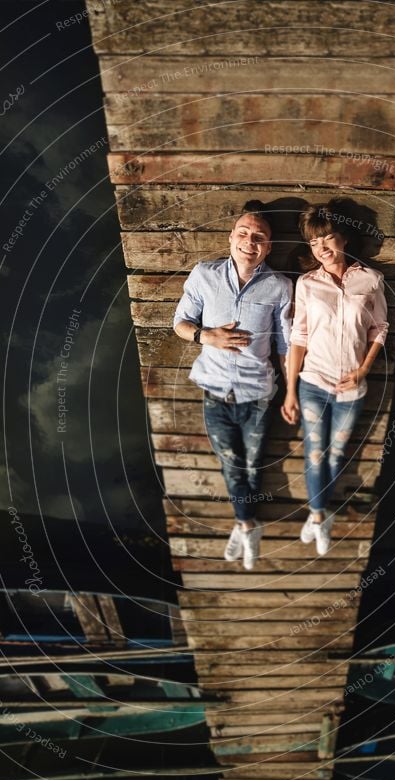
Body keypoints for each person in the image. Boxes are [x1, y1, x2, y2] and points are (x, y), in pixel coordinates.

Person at [173, 205, 292, 569]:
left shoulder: (280, 286)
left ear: (268, 247)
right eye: (242, 232)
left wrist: (291, 392)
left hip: (257, 393)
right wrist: (206, 336)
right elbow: (180, 322)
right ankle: (246, 524)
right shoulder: (204, 275)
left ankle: (245, 526)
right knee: (230, 464)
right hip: (214, 390)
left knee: (254, 466)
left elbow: (285, 345)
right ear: (230, 236)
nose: (249, 241)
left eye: (258, 237)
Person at [281, 200, 389, 555]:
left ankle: (320, 514)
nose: (322, 248)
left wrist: (363, 369)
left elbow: (379, 329)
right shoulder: (308, 284)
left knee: (336, 454)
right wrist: (290, 391)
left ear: (343, 238)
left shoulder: (371, 279)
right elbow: (298, 337)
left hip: (352, 388)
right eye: (314, 243)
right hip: (312, 382)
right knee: (314, 454)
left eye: (327, 238)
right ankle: (318, 515)